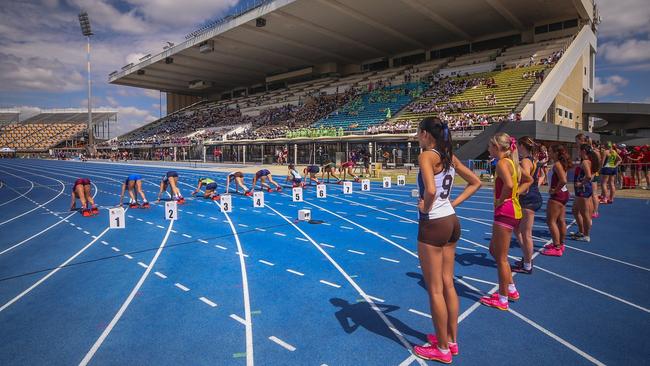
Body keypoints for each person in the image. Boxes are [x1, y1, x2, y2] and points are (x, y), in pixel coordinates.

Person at [412, 117, 481, 363]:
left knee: (435, 289)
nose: (416, 137)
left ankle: (441, 349)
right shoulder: (448, 155)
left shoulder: (426, 156)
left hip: (433, 224)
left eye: (418, 133)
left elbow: (430, 190)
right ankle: (451, 341)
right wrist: (452, 203)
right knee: (448, 284)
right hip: (452, 221)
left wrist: (425, 207)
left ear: (425, 134)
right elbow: (476, 182)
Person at [480, 133, 530, 311]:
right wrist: (516, 194)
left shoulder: (502, 163)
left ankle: (502, 299)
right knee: (493, 250)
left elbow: (508, 185)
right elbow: (528, 180)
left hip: (505, 212)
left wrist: (501, 200)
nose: (488, 149)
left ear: (497, 147)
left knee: (501, 259)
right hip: (513, 210)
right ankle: (510, 288)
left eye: (490, 146)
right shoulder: (512, 163)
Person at [512, 137, 541, 274]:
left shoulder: (525, 161)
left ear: (522, 146)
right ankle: (527, 258)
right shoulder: (533, 159)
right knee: (517, 230)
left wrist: (515, 192)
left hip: (528, 199)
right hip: (532, 196)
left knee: (526, 233)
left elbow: (526, 184)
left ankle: (527, 265)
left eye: (518, 145)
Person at [541, 145, 571, 256]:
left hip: (558, 195)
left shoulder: (558, 165)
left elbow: (563, 180)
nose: (549, 153)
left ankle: (557, 247)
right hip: (564, 193)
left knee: (551, 221)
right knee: (561, 220)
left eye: (550, 151)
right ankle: (560, 244)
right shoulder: (561, 164)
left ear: (556, 153)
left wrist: (554, 191)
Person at [571, 145, 598, 242]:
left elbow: (589, 176)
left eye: (579, 150)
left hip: (583, 190)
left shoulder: (586, 162)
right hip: (581, 189)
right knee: (575, 210)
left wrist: (580, 183)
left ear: (583, 151)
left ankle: (586, 235)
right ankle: (581, 231)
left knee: (584, 213)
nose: (578, 151)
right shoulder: (587, 161)